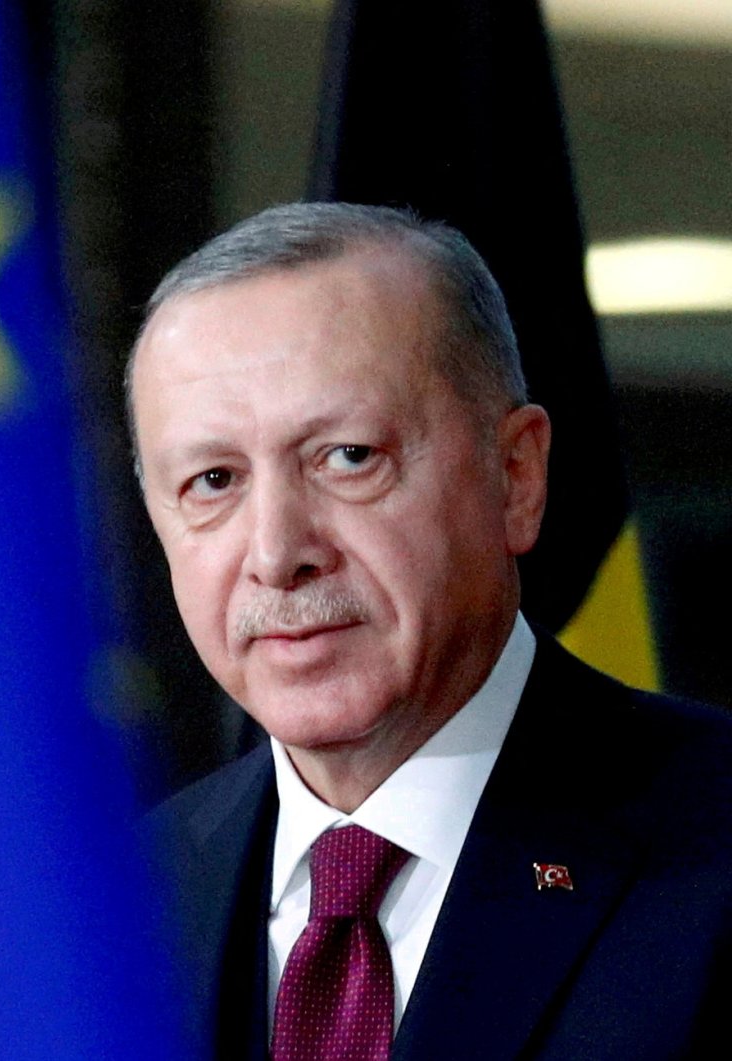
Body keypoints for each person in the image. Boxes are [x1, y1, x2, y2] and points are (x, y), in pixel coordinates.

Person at [130, 202, 732, 1060]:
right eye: (213, 478)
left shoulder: (711, 843)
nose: (275, 552)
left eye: (348, 456)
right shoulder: (110, 906)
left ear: (515, 475)